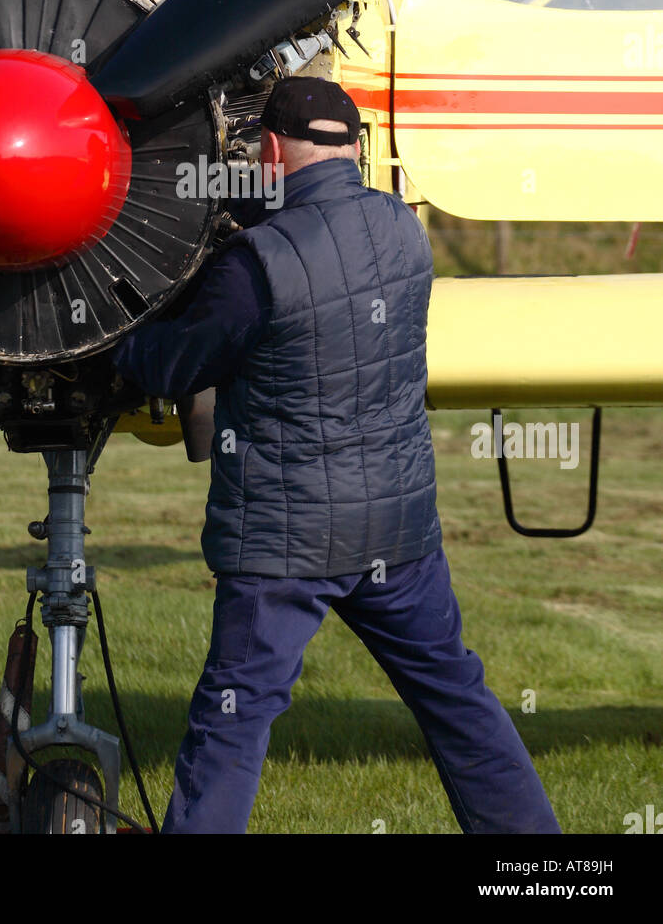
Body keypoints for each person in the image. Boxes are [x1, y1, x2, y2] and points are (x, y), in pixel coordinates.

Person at [110, 75, 560, 835]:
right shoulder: (404, 230)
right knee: (458, 702)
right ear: (353, 147)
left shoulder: (258, 264)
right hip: (399, 533)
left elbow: (177, 366)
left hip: (285, 544)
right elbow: (333, 263)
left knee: (234, 720)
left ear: (273, 149)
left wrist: (118, 341)